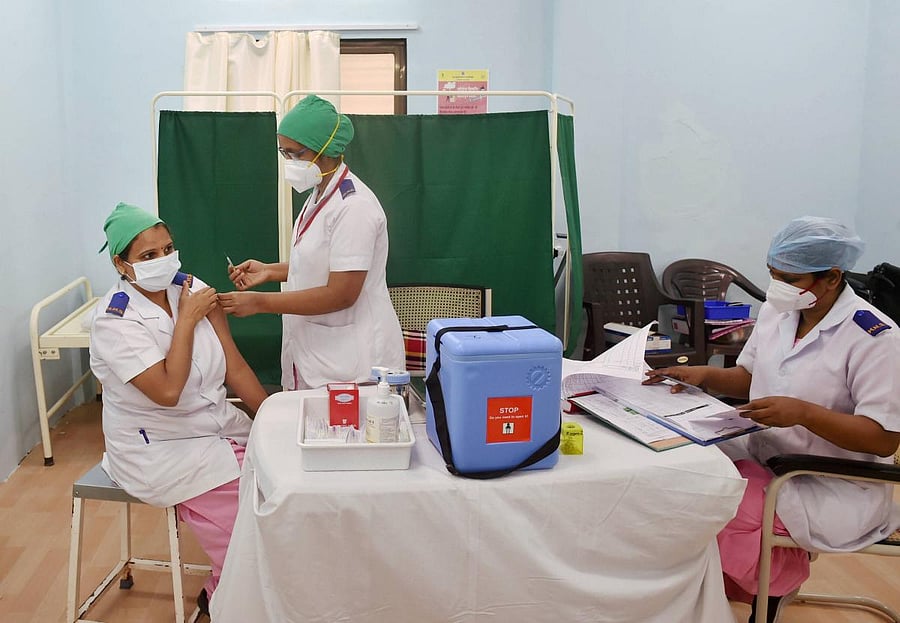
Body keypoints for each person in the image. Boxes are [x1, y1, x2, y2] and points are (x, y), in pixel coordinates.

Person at [646, 216, 900, 623]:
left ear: (832, 277)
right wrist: (703, 374)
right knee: (683, 476)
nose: (776, 286)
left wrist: (804, 414)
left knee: (719, 505)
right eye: (772, 273)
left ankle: (772, 588)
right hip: (766, 453)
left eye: (787, 277)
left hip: (829, 480)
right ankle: (703, 596)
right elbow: (750, 377)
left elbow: (884, 439)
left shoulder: (875, 337)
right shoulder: (781, 312)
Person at [90, 202, 268, 612]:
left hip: (214, 428)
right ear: (122, 264)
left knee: (278, 486)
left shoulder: (188, 288)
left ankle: (222, 586)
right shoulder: (114, 321)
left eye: (168, 249)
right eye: (148, 256)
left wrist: (275, 416)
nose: (164, 261)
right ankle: (235, 599)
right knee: (248, 521)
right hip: (159, 447)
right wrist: (186, 321)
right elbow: (168, 391)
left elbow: (235, 367)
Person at [218, 94, 404, 390]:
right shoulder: (319, 194)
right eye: (284, 153)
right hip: (321, 353)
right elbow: (324, 261)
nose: (289, 162)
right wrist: (271, 271)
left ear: (326, 149)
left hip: (354, 364)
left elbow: (342, 293)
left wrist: (260, 303)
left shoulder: (354, 206)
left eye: (296, 153)